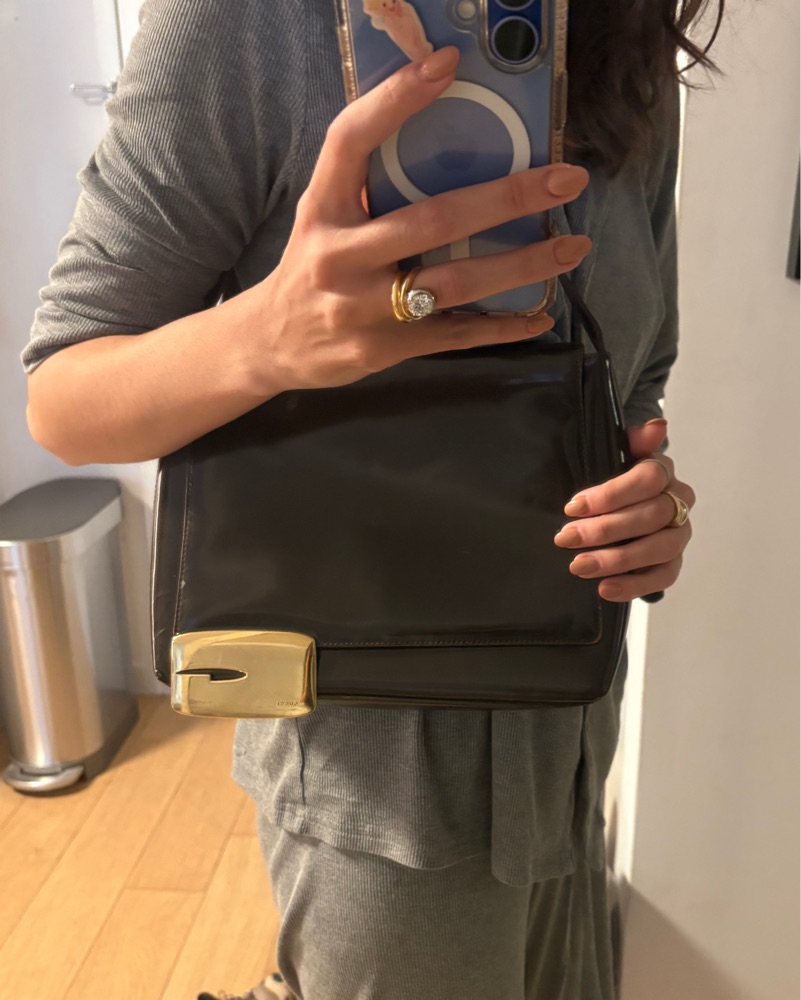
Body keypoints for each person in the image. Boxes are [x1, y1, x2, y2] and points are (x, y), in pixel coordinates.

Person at [24, 0, 715, 996]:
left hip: (568, 729)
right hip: (372, 783)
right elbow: (63, 400)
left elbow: (634, 380)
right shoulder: (244, 25)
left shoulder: (619, 26)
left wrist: (647, 513)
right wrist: (266, 337)